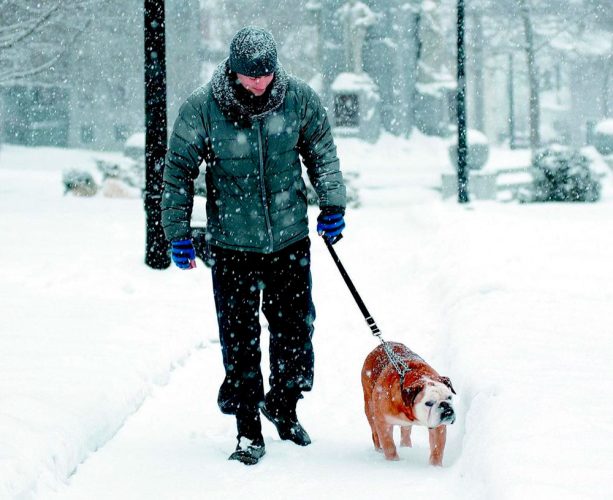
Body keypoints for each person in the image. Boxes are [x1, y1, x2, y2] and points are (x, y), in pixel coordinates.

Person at [161, 26, 346, 465]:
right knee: (240, 340)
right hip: (231, 245)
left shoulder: (298, 99)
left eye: (265, 73)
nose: (259, 83)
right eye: (250, 75)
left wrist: (332, 202)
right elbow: (178, 172)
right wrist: (177, 232)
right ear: (233, 70)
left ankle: (283, 405)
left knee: (296, 333)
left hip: (289, 239)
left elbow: (322, 150)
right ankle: (247, 429)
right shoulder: (201, 109)